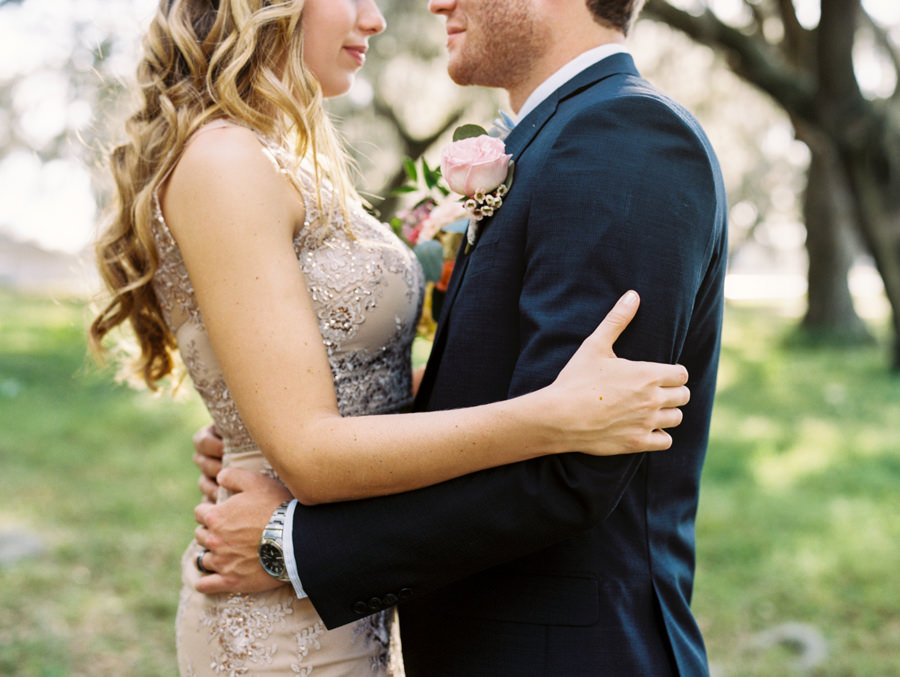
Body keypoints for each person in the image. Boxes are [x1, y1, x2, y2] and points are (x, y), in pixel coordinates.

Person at [89, 0, 693, 674]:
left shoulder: (616, 132)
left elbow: (565, 470)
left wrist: (293, 535)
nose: (380, 18)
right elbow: (307, 444)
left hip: (357, 602)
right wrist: (550, 416)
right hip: (283, 628)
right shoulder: (227, 159)